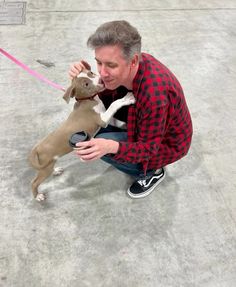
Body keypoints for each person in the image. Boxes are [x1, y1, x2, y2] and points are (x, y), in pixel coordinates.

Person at [68, 20, 193, 199]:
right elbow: (103, 98)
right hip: (143, 119)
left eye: (110, 65)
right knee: (95, 131)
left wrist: (111, 147)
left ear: (133, 61)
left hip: (165, 145)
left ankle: (151, 172)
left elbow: (149, 148)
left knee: (102, 142)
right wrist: (81, 79)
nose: (102, 73)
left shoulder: (154, 96)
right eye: (98, 63)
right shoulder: (133, 66)